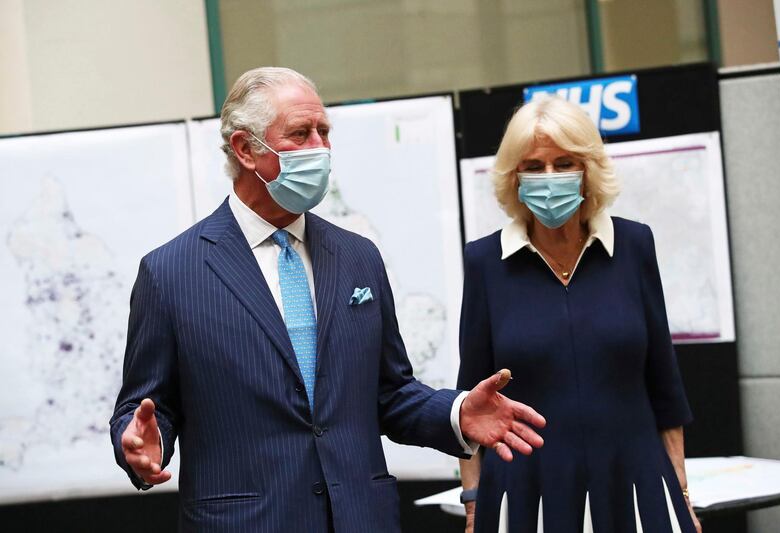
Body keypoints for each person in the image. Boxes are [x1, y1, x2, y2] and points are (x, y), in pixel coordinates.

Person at [109, 67, 546, 532]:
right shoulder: (171, 272)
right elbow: (147, 407)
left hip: (361, 518)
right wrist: (138, 444)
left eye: (324, 132)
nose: (320, 148)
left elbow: (390, 392)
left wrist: (457, 413)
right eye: (301, 133)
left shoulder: (358, 257)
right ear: (245, 149)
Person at [457, 96, 702, 533]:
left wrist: (682, 494)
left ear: (588, 170)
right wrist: (473, 504)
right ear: (514, 179)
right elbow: (471, 403)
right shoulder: (484, 262)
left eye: (564, 162)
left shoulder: (634, 246)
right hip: (527, 489)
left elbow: (665, 387)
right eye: (532, 167)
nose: (548, 178)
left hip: (636, 483)